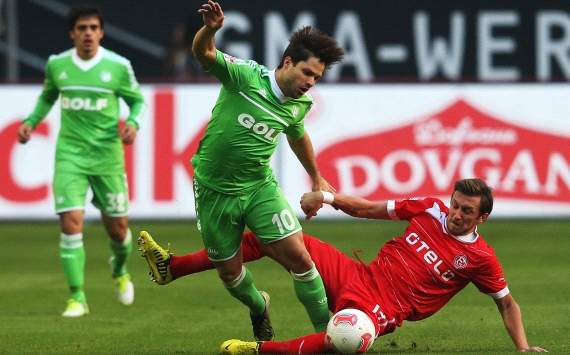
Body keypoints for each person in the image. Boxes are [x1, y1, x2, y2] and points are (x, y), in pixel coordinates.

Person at [138, 179, 547, 354]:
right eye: (456, 204)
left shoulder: (480, 258)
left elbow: (506, 303)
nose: (456, 214)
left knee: (347, 339)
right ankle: (173, 267)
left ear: (482, 218)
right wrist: (328, 198)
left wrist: (523, 347)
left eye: (467, 211)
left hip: (387, 308)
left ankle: (260, 350)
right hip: (359, 275)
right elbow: (370, 209)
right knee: (274, 239)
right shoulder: (430, 208)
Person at [142, 0, 343, 341]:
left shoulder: (300, 104)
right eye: (307, 72)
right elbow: (203, 54)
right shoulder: (245, 76)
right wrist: (210, 30)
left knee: (300, 259)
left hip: (258, 187)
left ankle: (328, 336)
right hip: (213, 189)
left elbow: (297, 135)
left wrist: (316, 176)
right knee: (230, 274)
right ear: (288, 62)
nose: (311, 82)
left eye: (317, 77)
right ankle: (258, 304)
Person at [17, 4, 145, 317]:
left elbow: (137, 100)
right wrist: (32, 121)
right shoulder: (57, 65)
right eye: (82, 28)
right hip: (70, 156)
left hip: (107, 157)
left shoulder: (118, 66)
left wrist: (134, 123)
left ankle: (120, 269)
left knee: (118, 229)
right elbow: (49, 96)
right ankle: (77, 298)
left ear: (101, 32)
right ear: (72, 32)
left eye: (93, 28)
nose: (87, 33)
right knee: (70, 223)